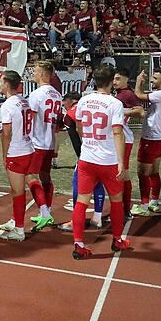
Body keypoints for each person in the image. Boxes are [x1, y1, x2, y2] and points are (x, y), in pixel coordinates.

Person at [71, 65, 131, 259]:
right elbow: (117, 133)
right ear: (111, 80)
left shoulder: (83, 100)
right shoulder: (115, 103)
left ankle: (79, 244)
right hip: (108, 160)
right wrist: (121, 163)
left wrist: (89, 143)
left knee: (81, 201)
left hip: (87, 159)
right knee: (116, 200)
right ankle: (117, 240)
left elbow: (79, 127)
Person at [56, 92, 106, 232]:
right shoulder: (93, 108)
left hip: (87, 154)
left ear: (71, 101)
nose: (63, 104)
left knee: (78, 184)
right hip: (101, 152)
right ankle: (97, 218)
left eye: (64, 101)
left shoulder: (72, 113)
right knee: (98, 183)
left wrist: (82, 154)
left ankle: (76, 221)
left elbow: (78, 135)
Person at [25, 61, 63, 231]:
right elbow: (58, 124)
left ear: (42, 74)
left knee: (30, 177)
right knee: (45, 177)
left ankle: (45, 212)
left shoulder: (36, 94)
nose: (33, 74)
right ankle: (45, 212)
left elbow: (30, 119)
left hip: (37, 142)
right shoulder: (57, 95)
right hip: (49, 142)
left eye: (35, 71)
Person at [131, 68, 161, 215]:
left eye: (155, 78)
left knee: (142, 173)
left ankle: (143, 207)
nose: (151, 80)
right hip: (160, 137)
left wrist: (138, 82)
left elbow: (138, 95)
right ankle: (154, 202)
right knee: (154, 171)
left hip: (151, 139)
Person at [0, 71, 33, 242]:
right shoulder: (24, 101)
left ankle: (19, 228)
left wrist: (5, 155)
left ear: (7, 84)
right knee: (21, 189)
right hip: (28, 148)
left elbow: (6, 134)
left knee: (18, 192)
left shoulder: (8, 105)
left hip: (17, 152)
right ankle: (15, 220)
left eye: (1, 81)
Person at [112, 67, 145, 217]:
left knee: (122, 173)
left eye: (118, 79)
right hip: (119, 137)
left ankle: (125, 210)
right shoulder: (120, 93)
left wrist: (121, 111)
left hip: (124, 138)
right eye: (113, 79)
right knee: (118, 173)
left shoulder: (127, 94)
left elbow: (140, 111)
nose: (114, 82)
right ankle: (121, 209)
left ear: (126, 79)